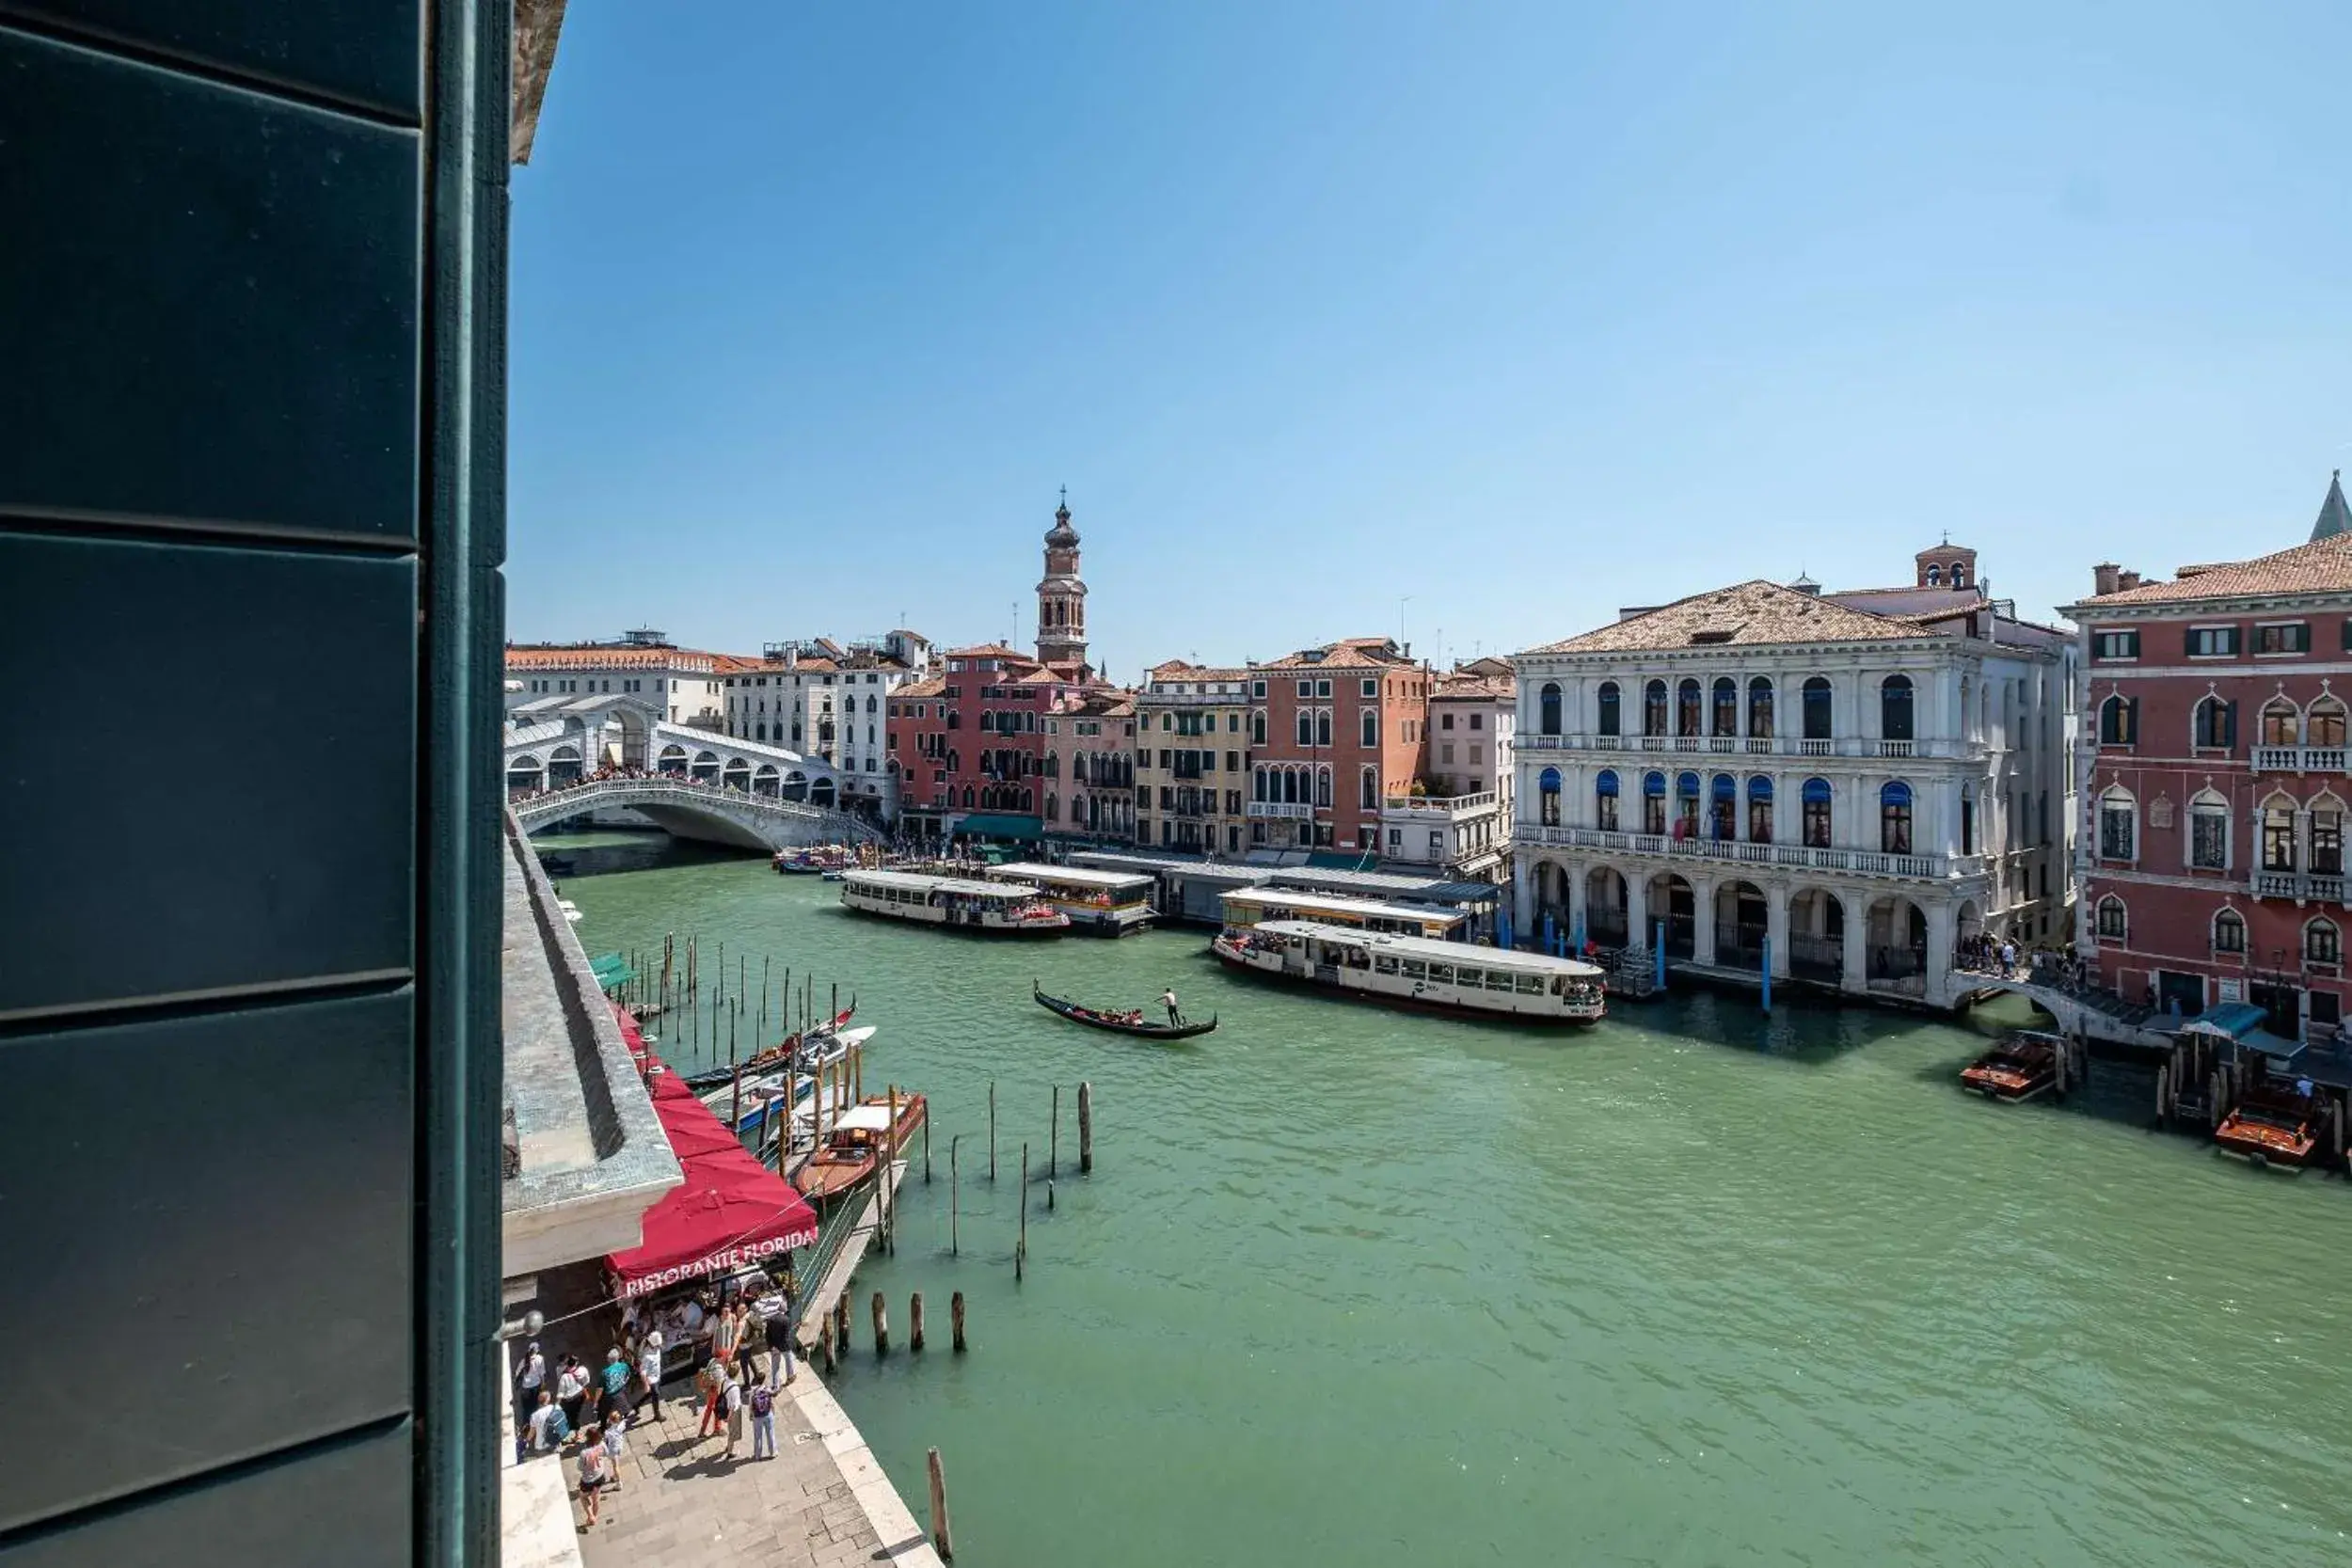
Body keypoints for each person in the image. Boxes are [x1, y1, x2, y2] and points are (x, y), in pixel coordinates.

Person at [576, 1426, 613, 1528]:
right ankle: (594, 1517)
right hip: (600, 1476)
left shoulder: (584, 1453)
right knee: (595, 1498)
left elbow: (579, 1467)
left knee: (583, 1497)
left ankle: (591, 1516)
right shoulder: (601, 1444)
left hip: (588, 1480)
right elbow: (606, 1453)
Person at [555, 1355, 590, 1433]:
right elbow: (587, 1381)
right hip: (580, 1396)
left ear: (567, 1363)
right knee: (576, 1414)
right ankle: (577, 1434)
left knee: (567, 1415)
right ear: (576, 1363)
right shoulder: (583, 1370)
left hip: (568, 1400)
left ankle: (567, 1430)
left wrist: (557, 1404)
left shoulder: (564, 1376)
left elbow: (560, 1393)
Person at [598, 1346, 632, 1428]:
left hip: (610, 1394)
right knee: (622, 1406)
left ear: (609, 1360)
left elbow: (600, 1388)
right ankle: (621, 1420)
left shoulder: (605, 1372)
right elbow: (628, 1375)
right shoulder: (624, 1366)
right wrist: (623, 1382)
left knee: (604, 1411)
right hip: (621, 1390)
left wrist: (596, 1401)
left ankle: (604, 1426)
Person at [527, 1388, 568, 1454]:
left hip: (541, 1445)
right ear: (547, 1400)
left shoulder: (534, 1415)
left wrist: (526, 1440)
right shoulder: (556, 1408)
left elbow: (532, 1432)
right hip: (555, 1440)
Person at [636, 1329, 664, 1424]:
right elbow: (643, 1372)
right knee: (656, 1395)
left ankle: (637, 1405)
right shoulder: (647, 1356)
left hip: (657, 1374)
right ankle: (657, 1415)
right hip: (651, 1379)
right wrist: (646, 1385)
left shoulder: (657, 1347)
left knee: (650, 1394)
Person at [749, 1376, 777, 1460]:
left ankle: (757, 1455)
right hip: (768, 1414)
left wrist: (751, 1415)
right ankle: (773, 1453)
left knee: (758, 1436)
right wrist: (773, 1411)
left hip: (757, 1417)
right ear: (763, 1380)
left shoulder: (753, 1392)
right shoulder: (767, 1389)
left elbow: (750, 1406)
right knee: (770, 1433)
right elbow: (771, 1402)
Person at [722, 1364, 746, 1459]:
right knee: (733, 1432)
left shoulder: (725, 1381)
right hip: (733, 1412)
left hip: (726, 1407)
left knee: (731, 1430)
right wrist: (728, 1417)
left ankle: (728, 1446)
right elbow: (733, 1406)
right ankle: (730, 1452)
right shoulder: (735, 1388)